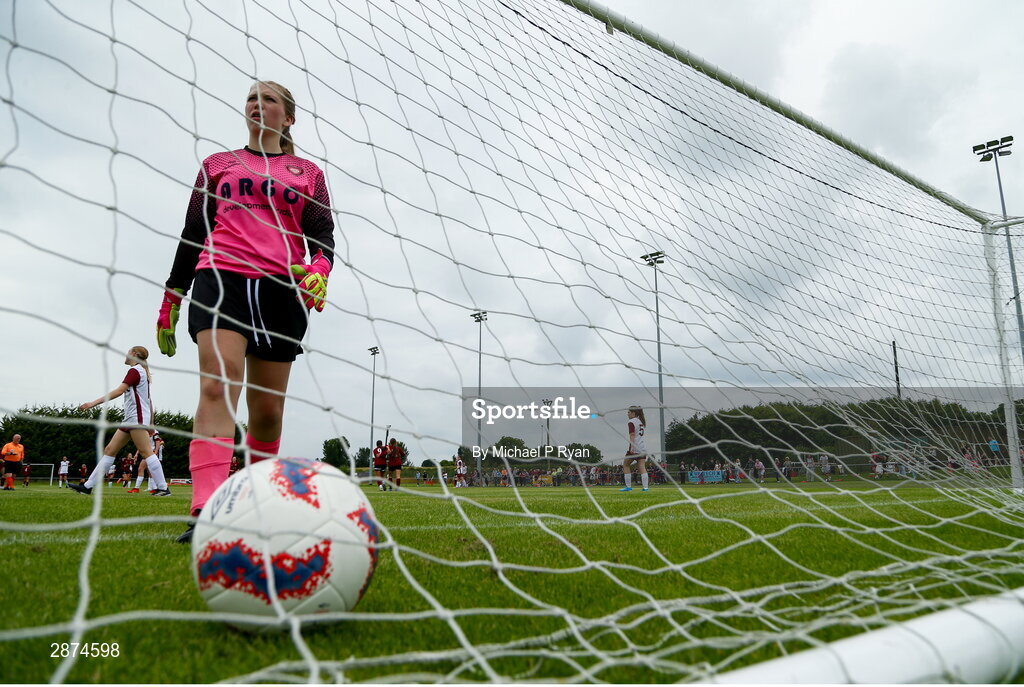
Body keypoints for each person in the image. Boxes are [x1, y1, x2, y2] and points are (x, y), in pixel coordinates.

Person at [155, 81, 335, 542]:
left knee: (267, 411)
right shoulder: (217, 165)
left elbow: (323, 237)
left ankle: (256, 503)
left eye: (269, 99)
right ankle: (205, 511)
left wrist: (319, 267)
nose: (258, 104)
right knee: (217, 382)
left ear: (288, 117)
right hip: (222, 277)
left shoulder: (307, 173)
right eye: (252, 98)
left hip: (282, 289)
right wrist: (173, 295)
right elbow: (193, 229)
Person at [71, 346, 170, 498]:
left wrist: (92, 403)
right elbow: (149, 401)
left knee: (146, 452)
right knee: (110, 450)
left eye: (128, 352)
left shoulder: (135, 371)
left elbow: (119, 391)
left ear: (134, 354)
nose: (126, 354)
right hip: (131, 418)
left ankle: (163, 488)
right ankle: (87, 486)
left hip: (135, 418)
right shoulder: (142, 372)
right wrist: (150, 421)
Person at [620, 405, 649, 492]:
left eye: (629, 412)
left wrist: (631, 448)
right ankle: (645, 487)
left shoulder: (631, 421)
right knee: (642, 467)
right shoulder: (641, 421)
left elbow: (632, 435)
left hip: (635, 447)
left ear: (633, 413)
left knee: (625, 465)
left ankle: (628, 487)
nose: (627, 414)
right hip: (642, 448)